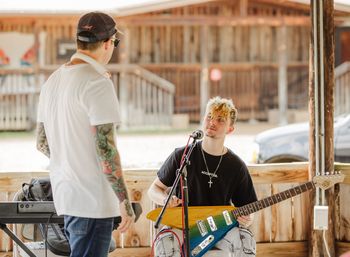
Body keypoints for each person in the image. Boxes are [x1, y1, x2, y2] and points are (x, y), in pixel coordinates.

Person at [36, 11, 134, 257]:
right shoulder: (96, 82)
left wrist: (71, 160)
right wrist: (124, 201)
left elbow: (42, 142)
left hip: (67, 197)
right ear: (107, 43)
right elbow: (106, 149)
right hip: (93, 202)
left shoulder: (53, 81)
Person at [147, 96, 258, 257]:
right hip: (181, 224)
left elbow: (248, 207)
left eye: (220, 120)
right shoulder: (182, 154)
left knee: (245, 240)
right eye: (209, 117)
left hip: (220, 228)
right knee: (165, 243)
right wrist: (165, 199)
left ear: (230, 129)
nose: (212, 122)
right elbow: (154, 190)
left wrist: (249, 218)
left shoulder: (236, 165)